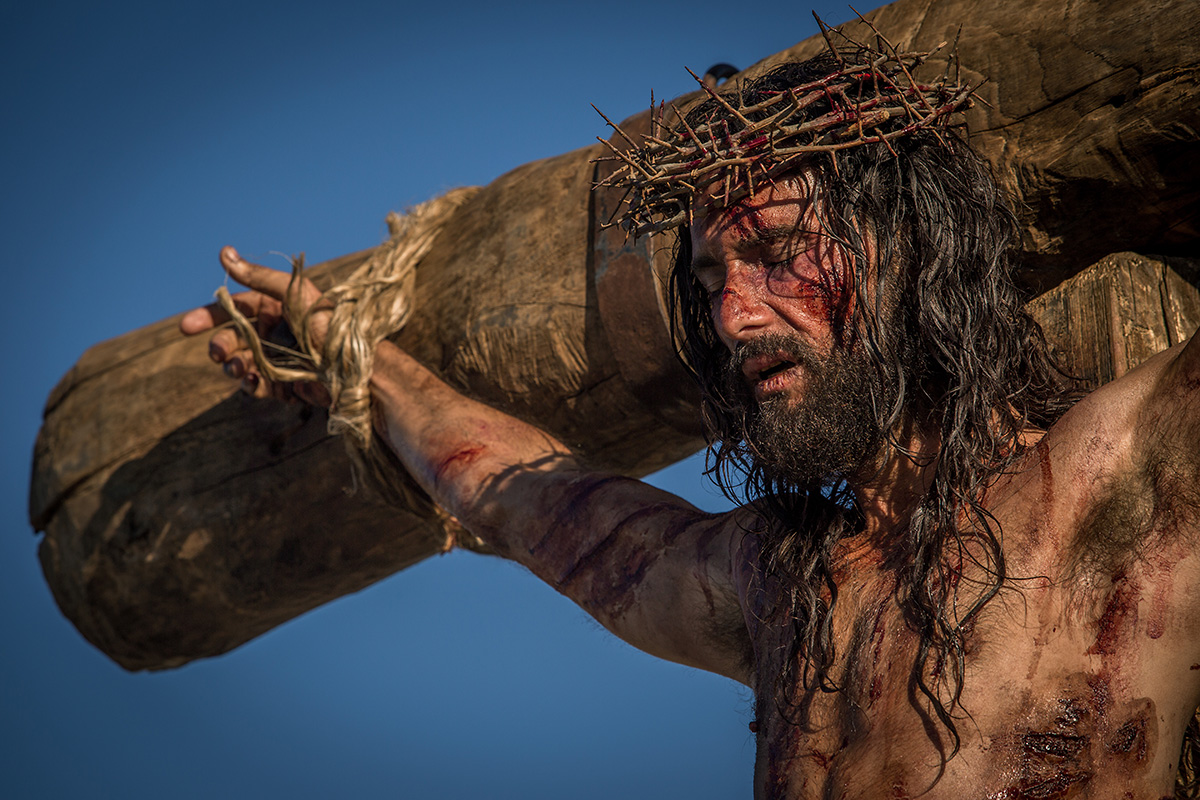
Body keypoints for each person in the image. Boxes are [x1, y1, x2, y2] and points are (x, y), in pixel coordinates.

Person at [181, 48, 1200, 798]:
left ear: (911, 250)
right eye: (713, 279)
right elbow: (531, 501)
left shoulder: (1127, 473)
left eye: (778, 253)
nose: (732, 315)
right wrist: (351, 357)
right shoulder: (780, 585)